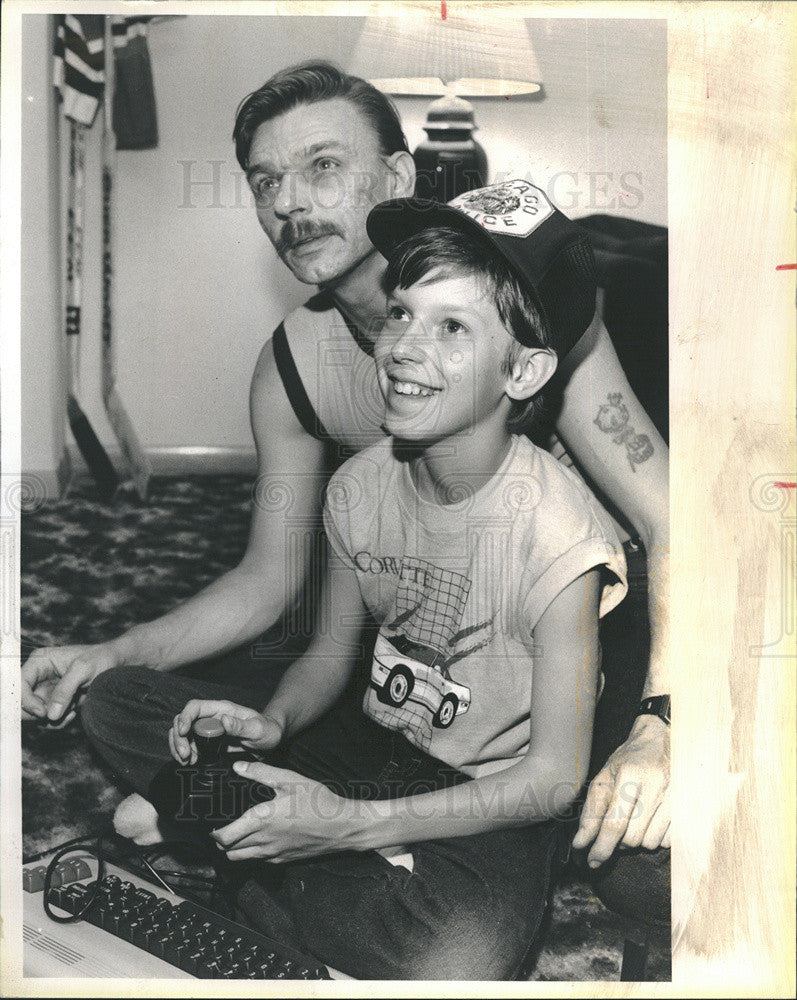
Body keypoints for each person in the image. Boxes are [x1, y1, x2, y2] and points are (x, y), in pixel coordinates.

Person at [21, 60, 670, 868]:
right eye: (265, 182)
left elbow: (671, 524)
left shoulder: (522, 313)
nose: (288, 202)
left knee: (638, 844)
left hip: (571, 645)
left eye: (322, 167)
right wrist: (110, 652)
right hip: (412, 634)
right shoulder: (292, 364)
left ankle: (314, 826)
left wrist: (663, 720)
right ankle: (309, 815)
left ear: (397, 174)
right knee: (123, 701)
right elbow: (268, 580)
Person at [79, 187, 629, 979]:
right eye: (401, 312)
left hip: (486, 795)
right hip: (372, 744)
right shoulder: (359, 485)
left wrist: (347, 826)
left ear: (524, 370)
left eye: (452, 329)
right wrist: (269, 723)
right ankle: (275, 837)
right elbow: (328, 660)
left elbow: (549, 782)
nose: (404, 347)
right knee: (118, 702)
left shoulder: (561, 540)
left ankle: (245, 853)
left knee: (461, 957)